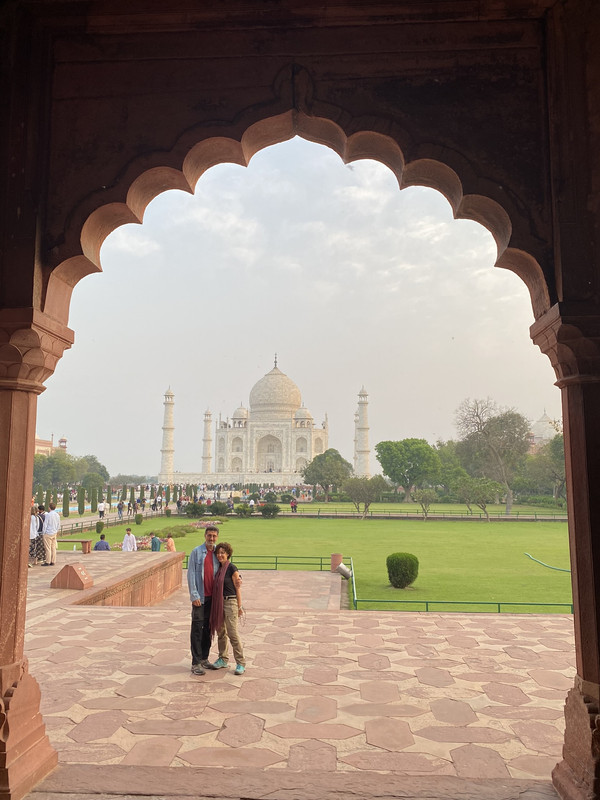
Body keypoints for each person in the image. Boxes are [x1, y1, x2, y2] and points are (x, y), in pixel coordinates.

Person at [187, 525, 220, 675]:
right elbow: (191, 574)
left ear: (217, 537)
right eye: (209, 535)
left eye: (214, 536)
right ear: (205, 536)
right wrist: (194, 595)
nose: (211, 538)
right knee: (197, 629)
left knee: (208, 629)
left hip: (213, 598)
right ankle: (195, 662)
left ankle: (204, 658)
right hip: (200, 597)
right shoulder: (196, 552)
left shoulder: (217, 554)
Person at [209, 542, 246, 675]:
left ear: (228, 554)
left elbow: (238, 587)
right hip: (219, 604)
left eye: (222, 553)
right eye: (218, 553)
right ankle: (223, 659)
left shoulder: (231, 568)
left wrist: (239, 606)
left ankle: (240, 663)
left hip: (230, 603)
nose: (220, 555)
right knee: (221, 632)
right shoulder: (218, 568)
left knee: (232, 634)